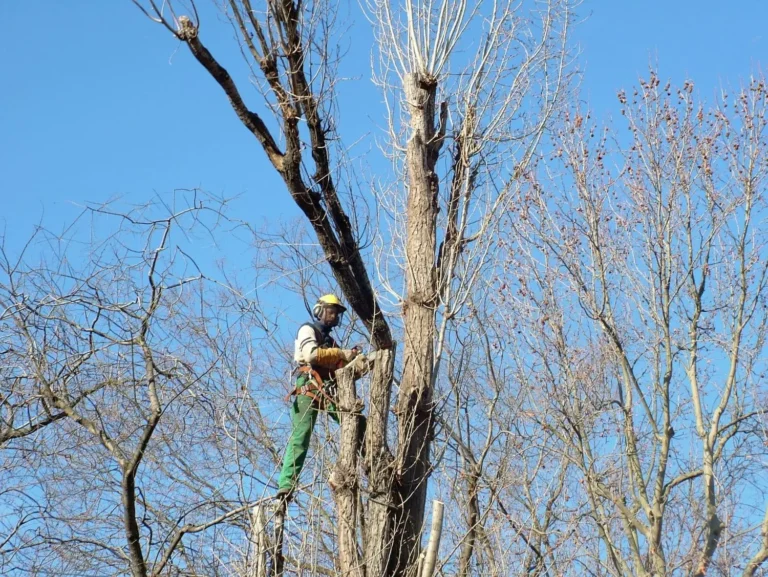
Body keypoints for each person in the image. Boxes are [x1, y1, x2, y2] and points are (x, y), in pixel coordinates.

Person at [276, 294, 364, 500]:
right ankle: (286, 485)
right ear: (320, 311)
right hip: (309, 386)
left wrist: (357, 362)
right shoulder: (308, 329)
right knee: (301, 436)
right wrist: (342, 354)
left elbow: (340, 368)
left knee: (354, 421)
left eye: (336, 313)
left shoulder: (331, 342)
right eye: (330, 311)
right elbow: (312, 355)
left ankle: (372, 459)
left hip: (329, 389)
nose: (333, 316)